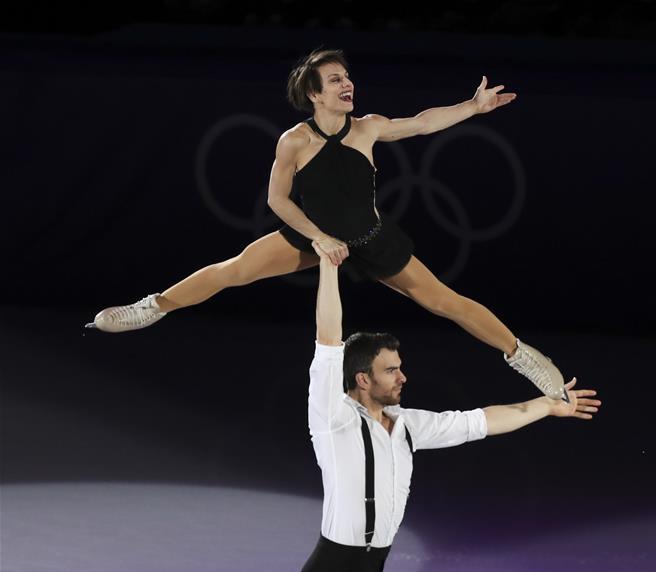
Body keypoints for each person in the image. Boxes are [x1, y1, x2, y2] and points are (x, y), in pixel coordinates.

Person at [86, 49, 568, 400]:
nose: (346, 84)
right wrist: (317, 237)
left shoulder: (368, 127)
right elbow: (277, 198)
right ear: (314, 93)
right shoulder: (294, 141)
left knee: (447, 302)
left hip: (371, 239)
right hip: (310, 236)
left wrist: (472, 107)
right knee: (231, 270)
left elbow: (422, 122)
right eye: (335, 80)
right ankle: (151, 307)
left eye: (347, 77)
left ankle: (527, 358)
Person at [297, 254, 600, 572]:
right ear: (363, 379)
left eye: (400, 368)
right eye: (391, 370)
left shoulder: (407, 426)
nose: (403, 377)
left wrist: (547, 406)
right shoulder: (334, 419)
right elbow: (329, 339)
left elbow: (480, 422)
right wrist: (329, 264)